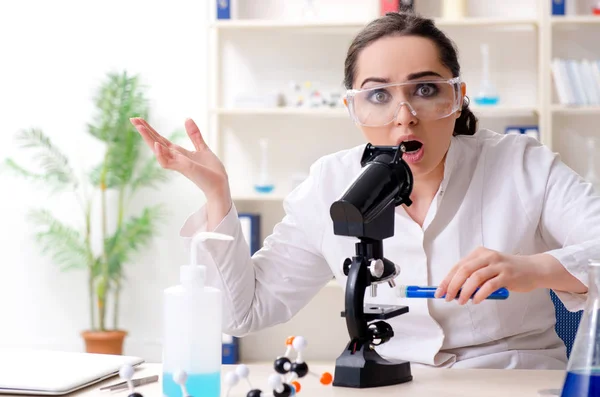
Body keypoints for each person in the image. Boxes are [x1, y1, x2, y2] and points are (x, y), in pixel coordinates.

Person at [130, 11, 598, 370]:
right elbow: (246, 312)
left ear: (457, 99)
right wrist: (217, 198)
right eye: (378, 95)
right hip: (394, 384)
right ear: (354, 110)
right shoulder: (329, 185)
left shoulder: (523, 164)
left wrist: (534, 269)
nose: (404, 115)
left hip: (510, 381)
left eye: (426, 90)